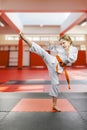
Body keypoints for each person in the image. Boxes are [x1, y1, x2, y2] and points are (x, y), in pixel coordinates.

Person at [19, 33, 78, 112]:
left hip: (57, 68)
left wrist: (67, 50)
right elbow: (51, 48)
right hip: (52, 60)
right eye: (61, 43)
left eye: (64, 43)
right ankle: (25, 39)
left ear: (69, 41)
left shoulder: (74, 49)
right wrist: (50, 44)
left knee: (55, 84)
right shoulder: (61, 47)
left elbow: (71, 60)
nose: (62, 45)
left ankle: (54, 105)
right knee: (41, 51)